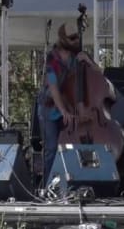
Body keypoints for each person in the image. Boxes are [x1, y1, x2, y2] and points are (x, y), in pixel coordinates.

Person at [38, 22, 99, 187]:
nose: (76, 41)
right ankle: (48, 187)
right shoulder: (53, 59)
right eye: (72, 38)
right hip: (50, 109)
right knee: (51, 149)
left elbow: (98, 74)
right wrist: (64, 111)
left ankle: (71, 184)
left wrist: (89, 61)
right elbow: (53, 87)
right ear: (63, 39)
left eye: (77, 37)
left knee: (71, 147)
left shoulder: (76, 57)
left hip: (71, 109)